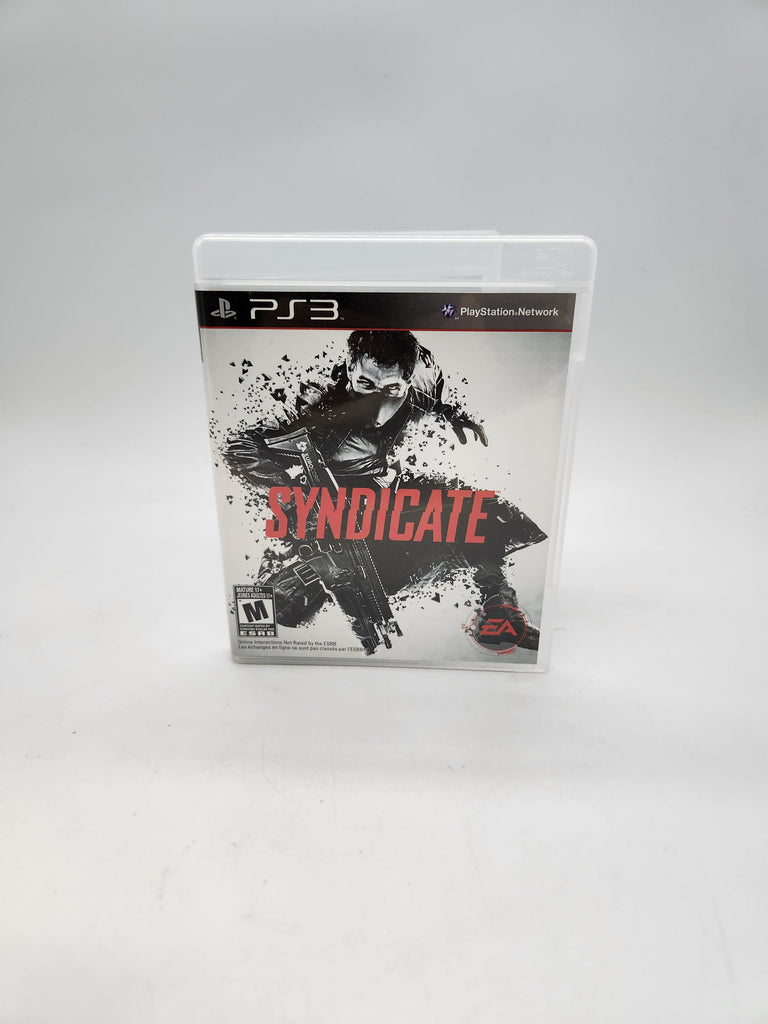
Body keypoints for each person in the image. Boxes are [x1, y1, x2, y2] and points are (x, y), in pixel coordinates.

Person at [225, 330, 544, 649]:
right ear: (350, 369)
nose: (377, 405)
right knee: (288, 599)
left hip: (382, 505)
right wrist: (296, 500)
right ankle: (280, 583)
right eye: (365, 384)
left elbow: (433, 397)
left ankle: (498, 613)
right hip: (327, 515)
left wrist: (454, 415)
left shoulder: (420, 388)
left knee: (481, 511)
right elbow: (240, 447)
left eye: (392, 388)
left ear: (408, 380)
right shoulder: (315, 403)